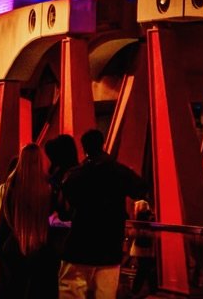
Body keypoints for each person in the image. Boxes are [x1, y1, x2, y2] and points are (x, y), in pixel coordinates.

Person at [56, 126, 148, 299]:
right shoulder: (119, 172)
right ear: (103, 144)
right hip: (109, 248)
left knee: (71, 292)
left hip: (79, 246)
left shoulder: (74, 175)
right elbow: (140, 188)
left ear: (84, 148)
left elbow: (64, 211)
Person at [0, 141, 59, 299]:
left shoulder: (10, 186)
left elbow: (3, 220)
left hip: (14, 245)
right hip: (41, 247)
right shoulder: (49, 187)